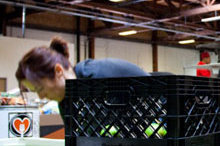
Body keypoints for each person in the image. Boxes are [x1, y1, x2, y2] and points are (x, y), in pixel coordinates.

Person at [15, 37, 149, 118]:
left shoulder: (93, 77)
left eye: (40, 88)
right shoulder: (66, 100)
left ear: (58, 70)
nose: (41, 96)